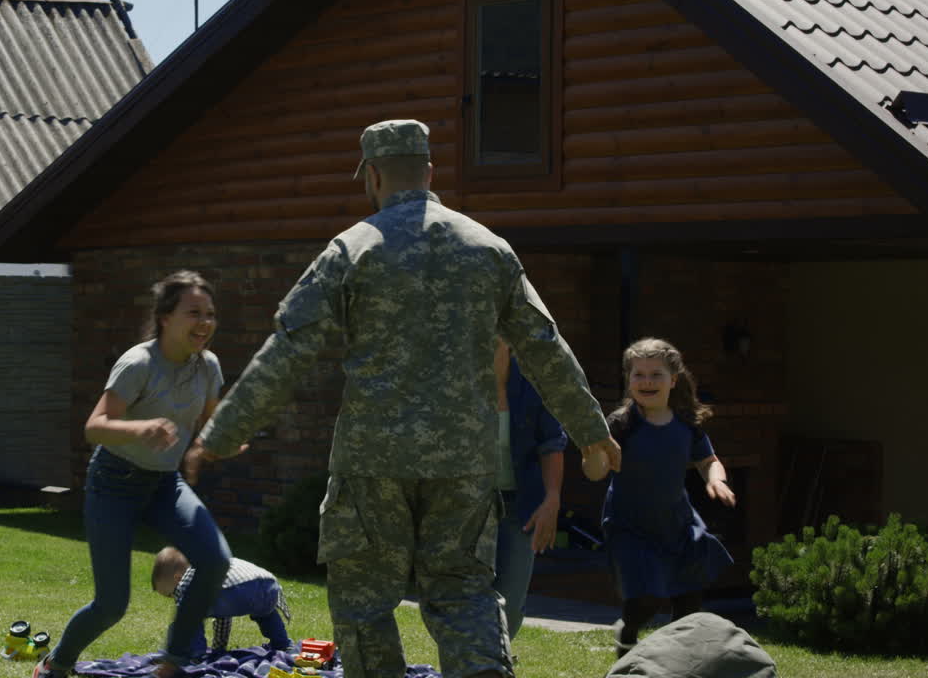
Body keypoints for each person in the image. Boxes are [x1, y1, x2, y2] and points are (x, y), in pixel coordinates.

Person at [189, 119, 621, 678]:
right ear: (430, 172)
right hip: (464, 462)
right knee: (463, 590)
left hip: (373, 463)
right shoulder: (489, 249)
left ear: (372, 176)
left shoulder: (352, 249)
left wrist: (221, 434)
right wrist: (591, 431)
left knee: (365, 604)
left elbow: (288, 351)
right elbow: (545, 347)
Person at [34, 271, 234, 678]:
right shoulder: (139, 363)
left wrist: (216, 444)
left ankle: (173, 662)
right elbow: (95, 426)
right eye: (194, 313)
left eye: (210, 314)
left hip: (163, 482)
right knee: (111, 605)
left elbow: (213, 424)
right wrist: (140, 428)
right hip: (113, 482)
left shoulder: (207, 366)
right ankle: (56, 663)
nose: (205, 323)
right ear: (165, 316)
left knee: (215, 559)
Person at [601, 337, 736, 658]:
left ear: (673, 380)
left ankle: (675, 661)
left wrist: (717, 480)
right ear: (629, 379)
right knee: (646, 598)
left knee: (689, 601)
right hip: (629, 525)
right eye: (639, 374)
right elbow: (596, 469)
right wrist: (594, 451)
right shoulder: (622, 424)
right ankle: (628, 634)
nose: (647, 381)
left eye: (656, 374)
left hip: (678, 522)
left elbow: (708, 461)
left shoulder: (686, 426)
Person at [492, 340, 573, 642]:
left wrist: (552, 498)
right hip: (470, 504)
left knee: (510, 602)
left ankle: (496, 661)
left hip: (520, 504)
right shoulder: (458, 382)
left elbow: (551, 442)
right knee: (469, 598)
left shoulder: (532, 381)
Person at [151, 546, 293, 655]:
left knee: (188, 620)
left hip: (238, 588)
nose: (174, 598)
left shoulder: (188, 581)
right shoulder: (211, 582)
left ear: (177, 578)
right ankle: (282, 644)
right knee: (266, 616)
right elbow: (223, 615)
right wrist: (219, 648)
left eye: (170, 594)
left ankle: (196, 654)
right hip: (269, 584)